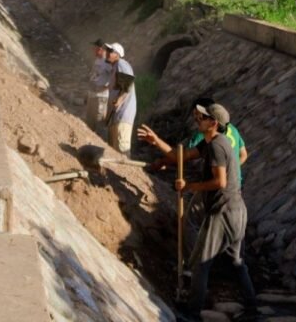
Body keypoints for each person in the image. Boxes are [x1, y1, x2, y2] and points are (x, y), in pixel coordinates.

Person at [137, 104, 256, 317]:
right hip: (237, 210)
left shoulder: (217, 147)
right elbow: (179, 156)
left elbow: (220, 182)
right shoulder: (209, 143)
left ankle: (192, 313)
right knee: (237, 264)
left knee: (201, 264)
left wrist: (189, 187)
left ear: (214, 123)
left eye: (203, 117)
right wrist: (156, 141)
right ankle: (253, 310)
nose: (198, 119)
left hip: (224, 211)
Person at [149, 97, 250, 188]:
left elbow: (183, 157)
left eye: (200, 115)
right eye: (195, 115)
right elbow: (243, 155)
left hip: (221, 189)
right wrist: (231, 169)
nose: (197, 119)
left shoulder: (209, 139)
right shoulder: (233, 129)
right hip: (236, 183)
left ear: (213, 122)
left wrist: (162, 161)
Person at [104, 42, 136, 156]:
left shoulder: (121, 64)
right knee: (115, 151)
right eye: (107, 50)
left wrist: (119, 100)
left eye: (110, 51)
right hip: (117, 115)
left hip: (123, 114)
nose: (107, 53)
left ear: (117, 55)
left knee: (122, 150)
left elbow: (128, 84)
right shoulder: (115, 68)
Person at [85, 38, 112, 137]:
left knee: (99, 124)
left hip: (101, 97)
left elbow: (113, 77)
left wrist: (106, 87)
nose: (93, 50)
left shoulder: (107, 62)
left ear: (101, 49)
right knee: (89, 122)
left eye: (95, 48)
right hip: (92, 95)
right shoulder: (97, 60)